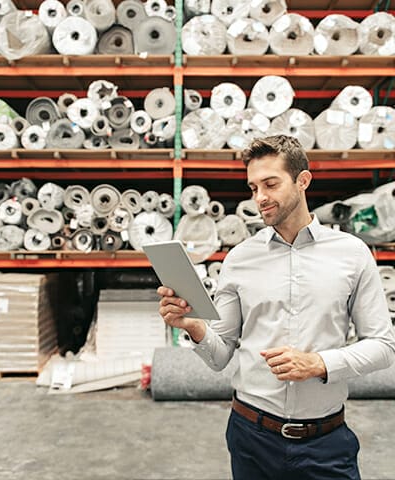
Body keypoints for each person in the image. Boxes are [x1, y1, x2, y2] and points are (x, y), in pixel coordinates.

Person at [157, 135, 395, 479]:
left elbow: (384, 347)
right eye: (253, 187)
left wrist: (318, 363)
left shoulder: (352, 254)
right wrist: (192, 326)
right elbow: (220, 354)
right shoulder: (239, 259)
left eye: (271, 184)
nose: (260, 198)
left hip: (325, 443)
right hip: (251, 437)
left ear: (303, 181)